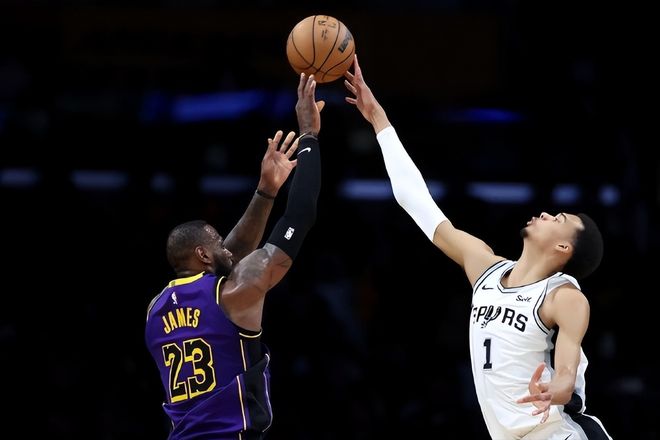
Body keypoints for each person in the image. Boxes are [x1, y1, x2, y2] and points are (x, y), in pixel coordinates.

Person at [344, 54, 613, 440]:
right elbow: (418, 204)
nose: (546, 213)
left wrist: (555, 389)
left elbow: (567, 376)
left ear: (563, 246)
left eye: (559, 218)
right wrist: (378, 120)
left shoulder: (564, 297)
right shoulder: (485, 267)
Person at [145, 72, 324, 440]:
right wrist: (309, 136)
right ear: (202, 254)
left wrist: (266, 191)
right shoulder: (236, 293)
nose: (227, 247)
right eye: (217, 242)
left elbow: (228, 259)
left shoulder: (155, 310)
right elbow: (300, 216)